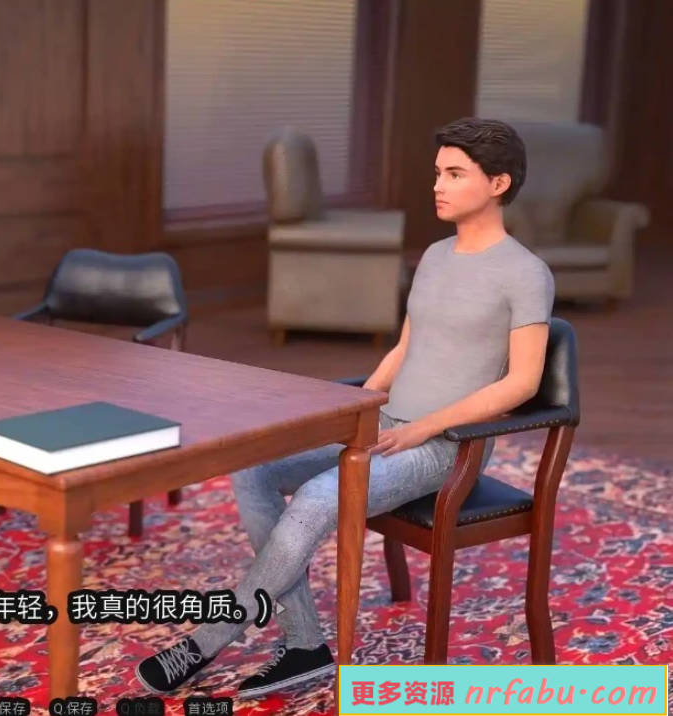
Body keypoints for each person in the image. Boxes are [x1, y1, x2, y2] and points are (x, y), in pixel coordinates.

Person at [136, 117, 555, 696]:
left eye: (455, 174)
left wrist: (424, 428)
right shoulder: (435, 256)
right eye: (438, 173)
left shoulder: (525, 273)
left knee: (317, 495)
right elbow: (406, 348)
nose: (438, 185)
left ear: (499, 183)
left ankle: (210, 638)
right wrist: (356, 408)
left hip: (445, 448)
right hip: (386, 425)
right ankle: (305, 643)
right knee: (254, 470)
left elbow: (523, 384)